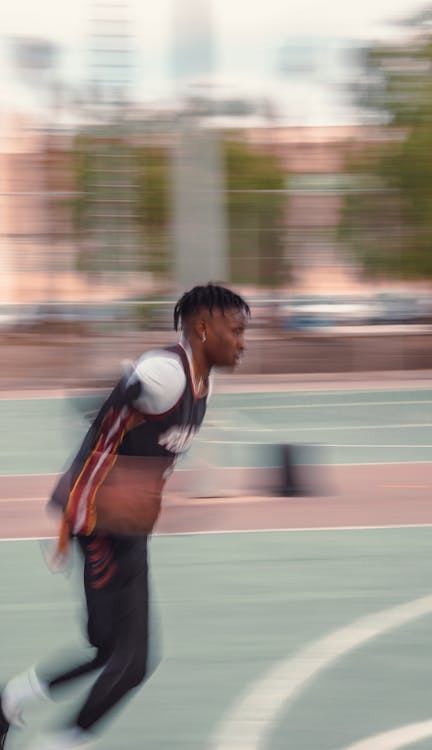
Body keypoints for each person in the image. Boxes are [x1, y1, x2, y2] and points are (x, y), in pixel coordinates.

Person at [0, 283, 250, 750]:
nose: (243, 342)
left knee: (111, 652)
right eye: (235, 330)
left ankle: (11, 699)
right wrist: (78, 509)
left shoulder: (204, 381)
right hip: (96, 523)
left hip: (128, 529)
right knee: (127, 660)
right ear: (202, 328)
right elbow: (94, 416)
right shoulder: (163, 375)